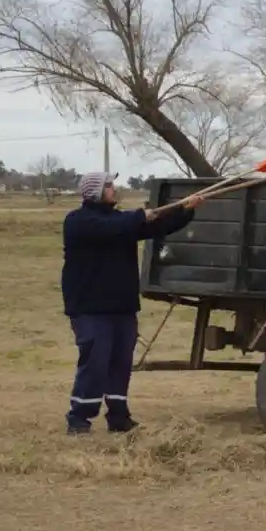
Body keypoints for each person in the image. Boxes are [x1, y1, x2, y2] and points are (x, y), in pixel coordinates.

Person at [61, 172, 203, 435]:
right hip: (90, 308)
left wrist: (185, 211)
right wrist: (140, 216)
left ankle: (119, 417)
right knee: (95, 362)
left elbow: (156, 227)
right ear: (95, 191)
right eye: (109, 186)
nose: (114, 189)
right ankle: (79, 418)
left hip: (122, 306)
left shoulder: (120, 220)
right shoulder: (78, 222)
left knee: (120, 363)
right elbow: (111, 228)